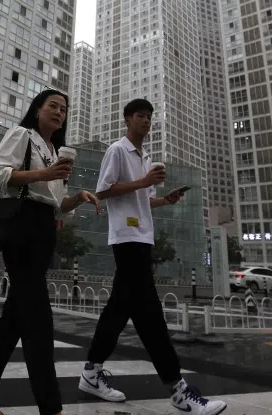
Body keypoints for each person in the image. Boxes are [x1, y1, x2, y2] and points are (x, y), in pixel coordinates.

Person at [78, 99, 226, 415]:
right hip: (126, 237)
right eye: (141, 116)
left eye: (149, 117)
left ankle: (91, 372)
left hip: (143, 238)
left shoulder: (145, 157)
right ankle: (178, 390)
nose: (147, 121)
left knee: (119, 310)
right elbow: (102, 193)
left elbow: (141, 199)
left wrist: (164, 200)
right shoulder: (117, 151)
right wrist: (144, 183)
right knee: (150, 315)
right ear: (128, 119)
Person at [0, 89, 100, 415]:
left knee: (14, 319)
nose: (60, 112)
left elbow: (58, 206)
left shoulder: (55, 150)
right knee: (39, 322)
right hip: (22, 227)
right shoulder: (22, 135)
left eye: (64, 109)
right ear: (37, 109)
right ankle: (51, 408)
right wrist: (44, 174)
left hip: (44, 230)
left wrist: (79, 196)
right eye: (53, 106)